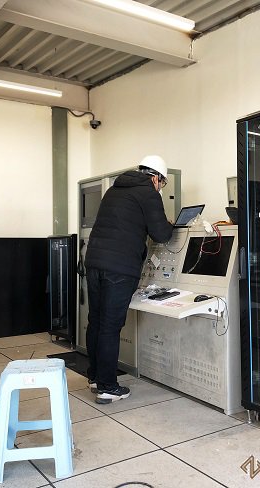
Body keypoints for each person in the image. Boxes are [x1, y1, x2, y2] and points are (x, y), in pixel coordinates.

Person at [85, 155, 173, 404]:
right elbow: (161, 234)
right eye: (162, 183)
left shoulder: (114, 190)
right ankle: (107, 387)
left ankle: (95, 377)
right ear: (156, 178)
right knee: (110, 326)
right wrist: (170, 224)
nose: (161, 187)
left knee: (96, 321)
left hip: (94, 262)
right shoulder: (148, 193)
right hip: (119, 268)